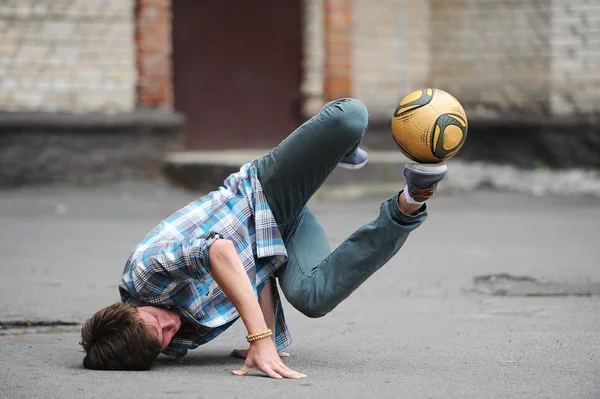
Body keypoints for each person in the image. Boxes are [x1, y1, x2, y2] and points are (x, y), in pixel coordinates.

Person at [80, 98, 448, 379]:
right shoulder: (170, 340)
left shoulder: (144, 274)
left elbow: (221, 251)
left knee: (349, 117)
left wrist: (260, 338)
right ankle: (412, 199)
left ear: (130, 307)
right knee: (313, 297)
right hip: (278, 237)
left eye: (155, 322)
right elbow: (252, 273)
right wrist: (269, 333)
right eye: (160, 340)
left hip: (260, 196)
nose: (168, 327)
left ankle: (337, 145)